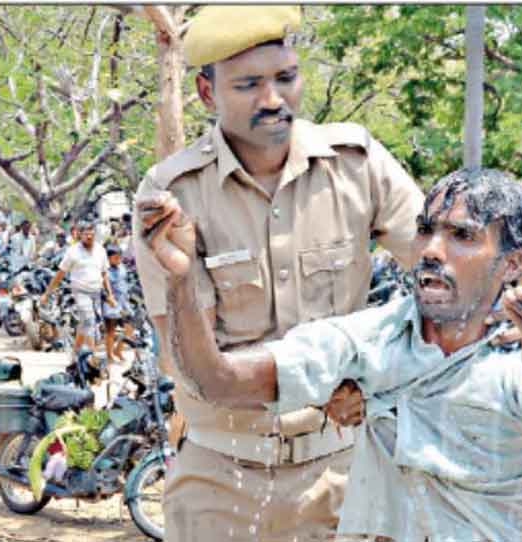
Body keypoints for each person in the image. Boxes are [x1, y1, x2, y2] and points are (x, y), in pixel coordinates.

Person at [153, 168, 522, 541]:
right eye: (426, 230)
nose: (431, 250)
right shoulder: (375, 338)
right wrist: (180, 279)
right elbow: (217, 381)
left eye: (462, 236)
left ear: (512, 262)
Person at [132, 5, 426, 541]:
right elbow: (186, 358)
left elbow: (446, 281)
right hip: (220, 480)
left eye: (285, 79)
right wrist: (313, 380)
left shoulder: (357, 163)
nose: (273, 100)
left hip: (344, 474)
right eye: (248, 85)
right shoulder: (172, 195)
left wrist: (382, 376)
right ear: (205, 92)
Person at [41, 220, 116, 356]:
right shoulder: (72, 251)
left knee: (84, 325)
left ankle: (75, 354)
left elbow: (104, 273)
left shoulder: (100, 250)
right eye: (85, 234)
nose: (89, 237)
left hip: (96, 292)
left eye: (91, 233)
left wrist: (109, 294)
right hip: (80, 291)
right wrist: (47, 293)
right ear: (79, 235)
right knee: (89, 320)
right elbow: (60, 274)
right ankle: (93, 358)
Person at [103, 245, 134, 363]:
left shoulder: (122, 268)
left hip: (124, 302)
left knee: (130, 327)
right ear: (108, 258)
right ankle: (109, 355)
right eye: (115, 257)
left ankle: (118, 349)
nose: (118, 259)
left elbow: (125, 281)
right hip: (110, 303)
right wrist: (108, 299)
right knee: (111, 330)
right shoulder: (104, 270)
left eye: (119, 257)